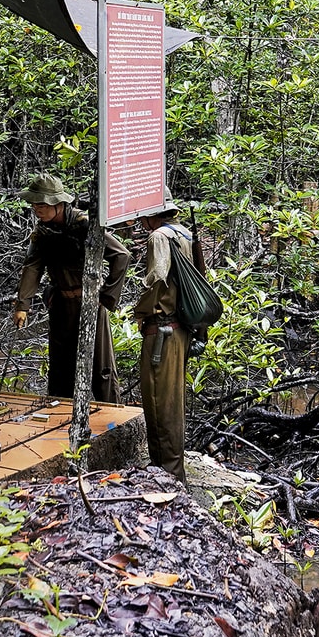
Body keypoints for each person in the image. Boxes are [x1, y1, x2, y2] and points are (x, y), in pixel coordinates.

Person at [14, 173, 130, 402]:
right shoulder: (42, 232)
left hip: (89, 304)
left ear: (58, 204)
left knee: (101, 368)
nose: (37, 208)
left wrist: (106, 296)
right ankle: (59, 415)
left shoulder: (84, 225)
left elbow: (121, 255)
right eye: (34, 203)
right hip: (60, 305)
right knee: (60, 369)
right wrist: (22, 305)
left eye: (42, 204)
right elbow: (32, 268)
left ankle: (111, 419)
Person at [132, 196, 193, 481]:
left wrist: (140, 311)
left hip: (162, 330)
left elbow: (157, 278)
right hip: (180, 330)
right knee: (173, 399)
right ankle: (170, 467)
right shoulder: (185, 234)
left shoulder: (159, 236)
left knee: (158, 399)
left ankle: (166, 471)